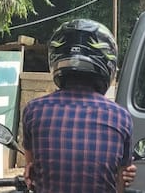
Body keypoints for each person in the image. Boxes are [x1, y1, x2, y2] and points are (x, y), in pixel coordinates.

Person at [22, 18, 136, 193]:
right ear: (108, 62)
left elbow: (31, 171)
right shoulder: (120, 117)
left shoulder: (34, 111)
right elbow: (121, 182)